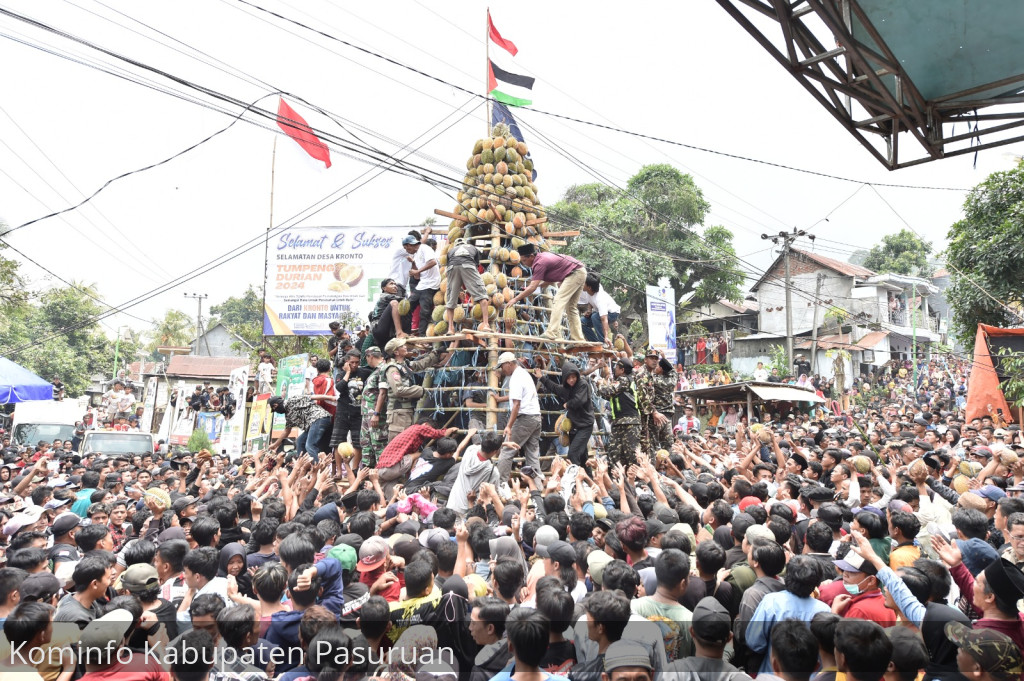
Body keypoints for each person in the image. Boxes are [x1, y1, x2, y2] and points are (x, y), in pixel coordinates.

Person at [508, 244, 588, 342]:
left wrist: (515, 299)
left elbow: (532, 287)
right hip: (580, 271)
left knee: (558, 300)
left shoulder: (540, 263)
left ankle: (552, 332)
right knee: (571, 308)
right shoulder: (541, 258)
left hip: (575, 273)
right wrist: (536, 286)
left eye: (524, 260)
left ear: (531, 256)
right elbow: (549, 281)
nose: (524, 264)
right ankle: (579, 340)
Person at [382, 337, 454, 443]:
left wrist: (435, 354)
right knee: (399, 443)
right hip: (398, 413)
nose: (405, 347)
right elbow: (399, 390)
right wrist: (421, 390)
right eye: (402, 346)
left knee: (407, 442)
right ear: (396, 352)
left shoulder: (404, 365)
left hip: (405, 411)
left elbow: (419, 364)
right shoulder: (393, 369)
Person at [537, 361, 594, 468]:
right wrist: (542, 378)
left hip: (585, 426)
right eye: (568, 378)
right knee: (582, 457)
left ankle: (575, 478)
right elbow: (555, 387)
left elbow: (579, 401)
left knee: (573, 455)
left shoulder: (583, 385)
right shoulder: (566, 389)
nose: (571, 380)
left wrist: (568, 404)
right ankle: (587, 479)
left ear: (577, 375)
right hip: (574, 427)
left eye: (573, 377)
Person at [496, 352, 543, 483]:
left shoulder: (516, 378)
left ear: (509, 364)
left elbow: (516, 404)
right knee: (532, 454)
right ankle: (537, 487)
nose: (502, 370)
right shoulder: (523, 374)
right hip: (535, 417)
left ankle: (501, 485)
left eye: (502, 366)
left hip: (525, 417)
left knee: (506, 451)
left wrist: (509, 426)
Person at [595, 359, 644, 468]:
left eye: (616, 368)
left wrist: (599, 384)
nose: (614, 370)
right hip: (619, 422)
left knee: (631, 453)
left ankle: (637, 478)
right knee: (614, 453)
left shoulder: (624, 380)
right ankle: (617, 478)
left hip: (629, 422)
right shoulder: (629, 380)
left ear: (622, 370)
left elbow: (607, 391)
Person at [444, 237, 490, 332]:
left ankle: (450, 328)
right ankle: (486, 324)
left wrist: (457, 287)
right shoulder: (473, 248)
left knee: (450, 300)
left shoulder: (451, 251)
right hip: (468, 265)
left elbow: (448, 268)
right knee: (482, 295)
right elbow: (476, 265)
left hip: (452, 267)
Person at [267, 393, 336, 458]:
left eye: (275, 410)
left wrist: (331, 398)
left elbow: (313, 397)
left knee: (310, 446)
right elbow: (286, 432)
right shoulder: (288, 416)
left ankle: (317, 468)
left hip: (319, 418)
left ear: (275, 405)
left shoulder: (292, 400)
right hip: (313, 424)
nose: (277, 412)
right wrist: (275, 444)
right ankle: (303, 465)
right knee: (300, 441)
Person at [403, 235, 441, 336]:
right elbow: (417, 277)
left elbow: (433, 262)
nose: (407, 251)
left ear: (410, 245)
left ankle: (422, 335)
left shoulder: (425, 248)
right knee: (407, 308)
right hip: (422, 284)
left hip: (431, 284)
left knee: (424, 312)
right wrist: (414, 264)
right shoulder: (415, 255)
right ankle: (406, 333)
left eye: (406, 248)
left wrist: (417, 270)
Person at [579, 273, 620, 345]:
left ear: (589, 287)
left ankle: (603, 342)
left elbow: (604, 319)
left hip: (613, 313)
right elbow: (590, 301)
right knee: (582, 321)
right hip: (599, 312)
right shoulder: (592, 287)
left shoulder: (600, 299)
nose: (582, 284)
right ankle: (595, 343)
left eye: (584, 283)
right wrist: (589, 310)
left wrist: (606, 336)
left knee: (595, 317)